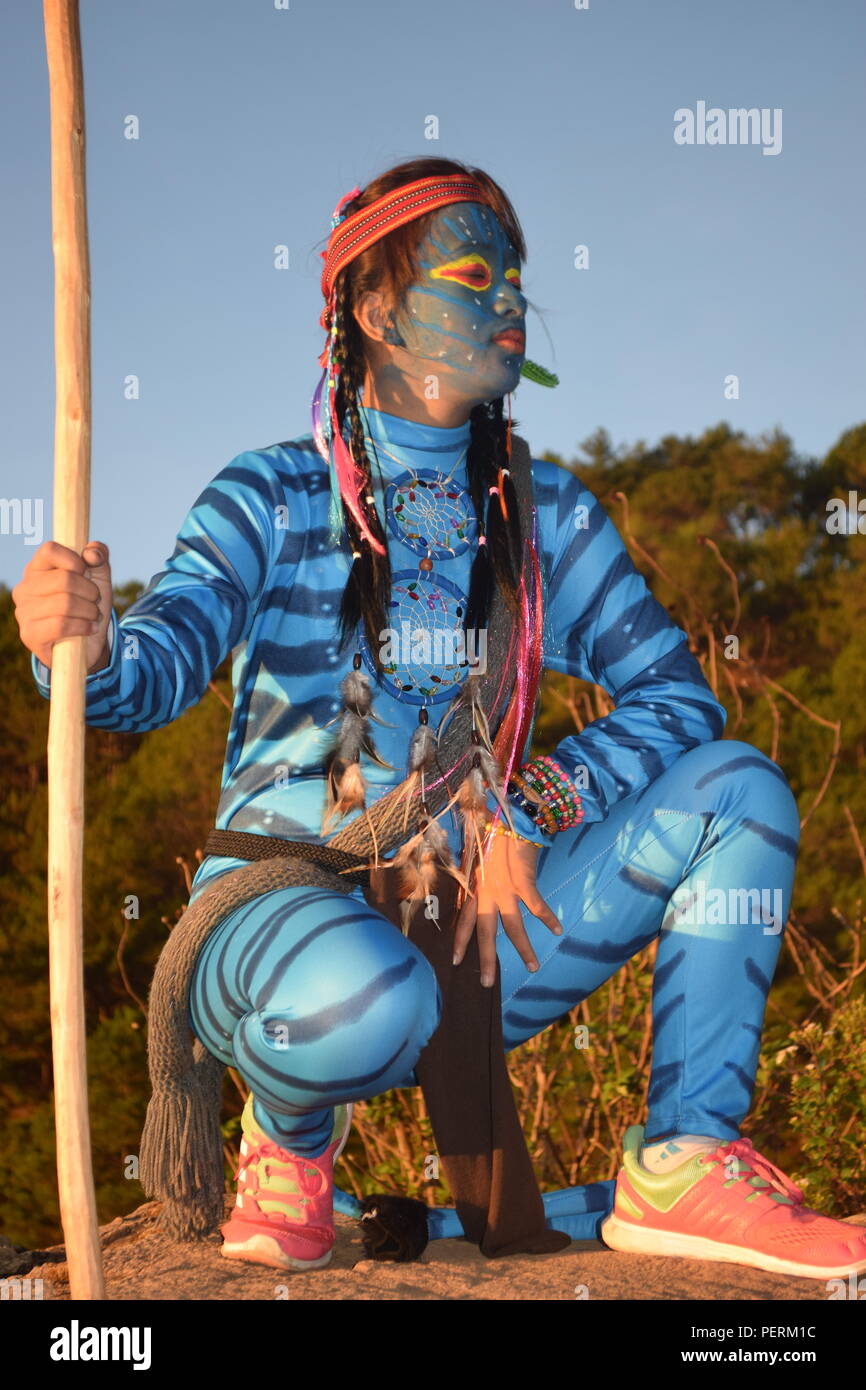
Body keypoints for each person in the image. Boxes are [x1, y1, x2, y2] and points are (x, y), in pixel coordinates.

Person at [15, 156, 866, 1284]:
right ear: (373, 310)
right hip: (275, 915)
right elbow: (147, 677)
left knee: (739, 789)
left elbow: (677, 694)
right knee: (369, 999)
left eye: (513, 276)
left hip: (476, 920)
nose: (509, 300)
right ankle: (289, 1137)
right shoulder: (267, 493)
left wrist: (529, 803)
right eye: (474, 274)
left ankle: (683, 1160)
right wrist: (74, 637)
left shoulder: (545, 510)